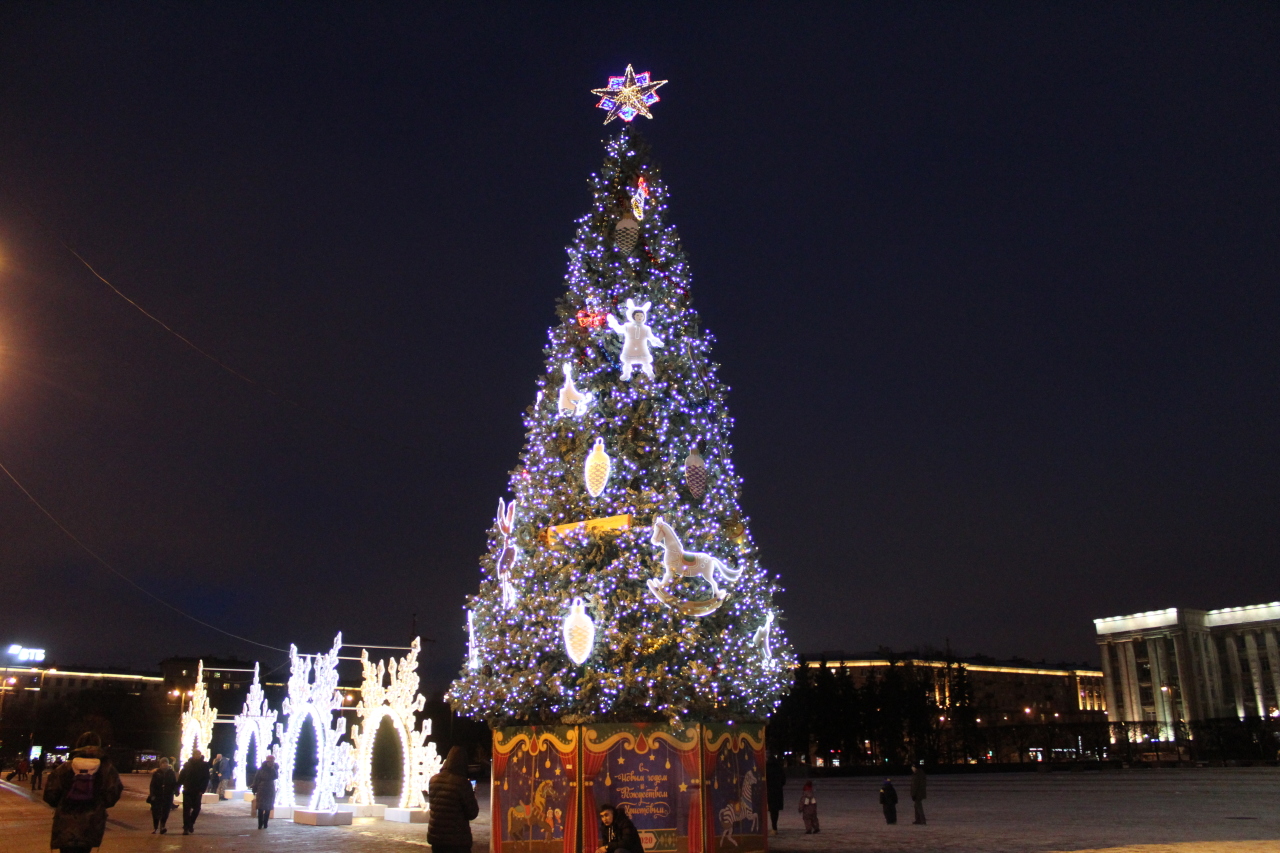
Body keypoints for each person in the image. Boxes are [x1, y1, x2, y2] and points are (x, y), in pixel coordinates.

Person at [43, 731, 124, 853]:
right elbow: (113, 794)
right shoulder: (107, 768)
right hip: (91, 823)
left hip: (65, 822)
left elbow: (50, 794)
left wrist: (63, 803)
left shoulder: (65, 767)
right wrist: (98, 804)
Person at [427, 746, 478, 853]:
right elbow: (472, 813)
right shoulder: (462, 783)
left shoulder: (433, 780)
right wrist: (472, 794)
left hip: (437, 839)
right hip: (457, 841)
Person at [177, 749, 211, 835]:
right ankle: (186, 827)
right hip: (187, 790)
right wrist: (178, 787)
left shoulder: (204, 765)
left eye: (199, 754)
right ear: (193, 755)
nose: (197, 756)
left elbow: (206, 778)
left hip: (197, 791)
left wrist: (202, 790)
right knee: (186, 809)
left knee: (197, 808)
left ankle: (191, 823)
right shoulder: (187, 764)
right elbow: (182, 776)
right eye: (196, 754)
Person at [148, 757, 178, 834]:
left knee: (165, 811)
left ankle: (162, 826)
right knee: (156, 812)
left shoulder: (171, 773)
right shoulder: (157, 773)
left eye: (166, 763)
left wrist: (176, 791)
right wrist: (152, 795)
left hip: (168, 795)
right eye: (163, 763)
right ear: (160, 764)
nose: (165, 764)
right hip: (158, 795)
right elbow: (152, 785)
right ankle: (155, 827)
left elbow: (174, 783)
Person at [250, 754, 279, 829]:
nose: (271, 762)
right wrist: (254, 787)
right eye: (270, 761)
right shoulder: (261, 769)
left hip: (270, 789)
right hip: (261, 789)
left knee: (268, 807)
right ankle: (260, 824)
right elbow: (256, 778)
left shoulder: (274, 768)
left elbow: (275, 776)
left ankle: (265, 823)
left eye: (272, 761)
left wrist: (272, 768)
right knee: (260, 807)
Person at [765, 755, 786, 834]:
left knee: (765, 810)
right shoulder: (779, 768)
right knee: (774, 811)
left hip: (768, 791)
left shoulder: (765, 768)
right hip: (777, 792)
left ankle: (762, 828)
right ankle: (774, 828)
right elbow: (783, 781)